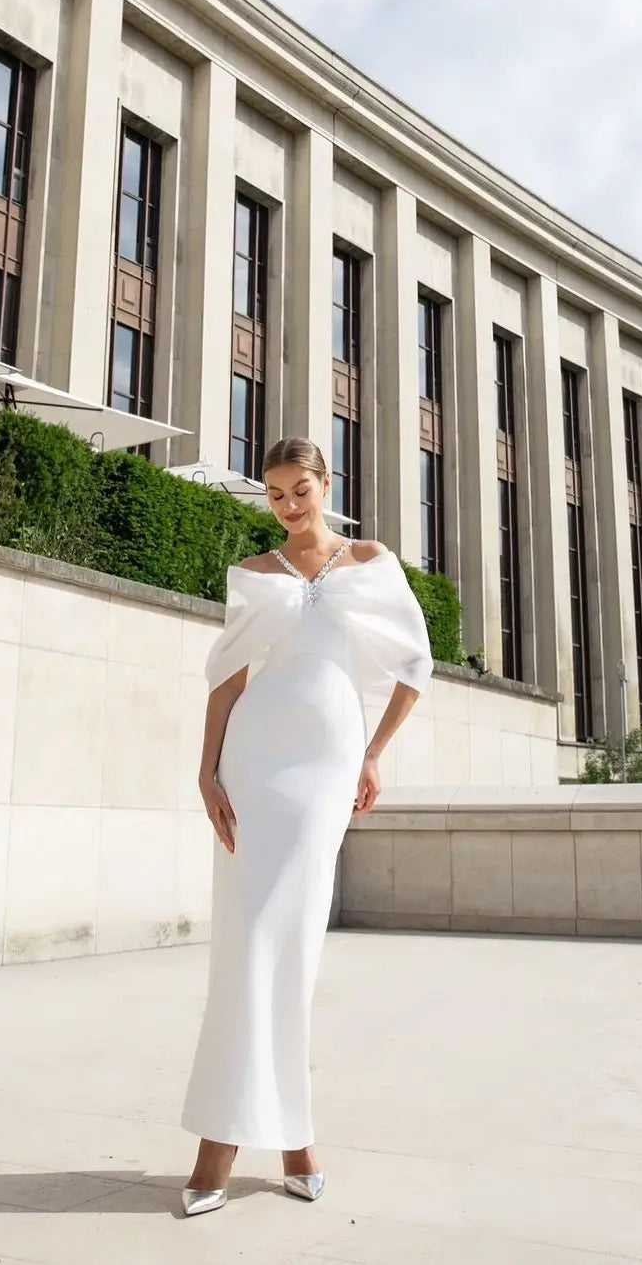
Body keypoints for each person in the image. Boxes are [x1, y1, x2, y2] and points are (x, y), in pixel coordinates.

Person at [180, 435, 433, 1217]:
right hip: (256, 764)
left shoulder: (371, 561)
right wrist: (207, 769)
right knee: (247, 942)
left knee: (296, 947)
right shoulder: (254, 573)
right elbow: (227, 679)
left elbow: (414, 666)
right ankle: (223, 1143)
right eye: (275, 494)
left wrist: (372, 754)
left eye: (300, 489)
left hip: (327, 766)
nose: (288, 505)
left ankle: (294, 1136)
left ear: (326, 483)